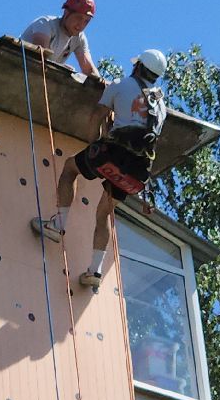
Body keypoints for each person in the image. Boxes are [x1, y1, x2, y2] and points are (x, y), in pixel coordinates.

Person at [31, 48, 168, 289]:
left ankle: (58, 225)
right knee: (104, 211)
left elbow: (97, 116)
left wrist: (92, 146)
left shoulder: (120, 85)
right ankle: (94, 271)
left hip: (114, 153)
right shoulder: (161, 106)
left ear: (137, 67)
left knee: (70, 168)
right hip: (138, 170)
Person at [20, 0, 101, 82]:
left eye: (86, 21)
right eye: (78, 17)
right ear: (66, 12)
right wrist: (62, 69)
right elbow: (40, 58)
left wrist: (105, 87)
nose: (81, 24)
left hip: (39, 80)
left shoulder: (79, 38)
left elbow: (89, 70)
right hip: (20, 71)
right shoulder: (45, 24)